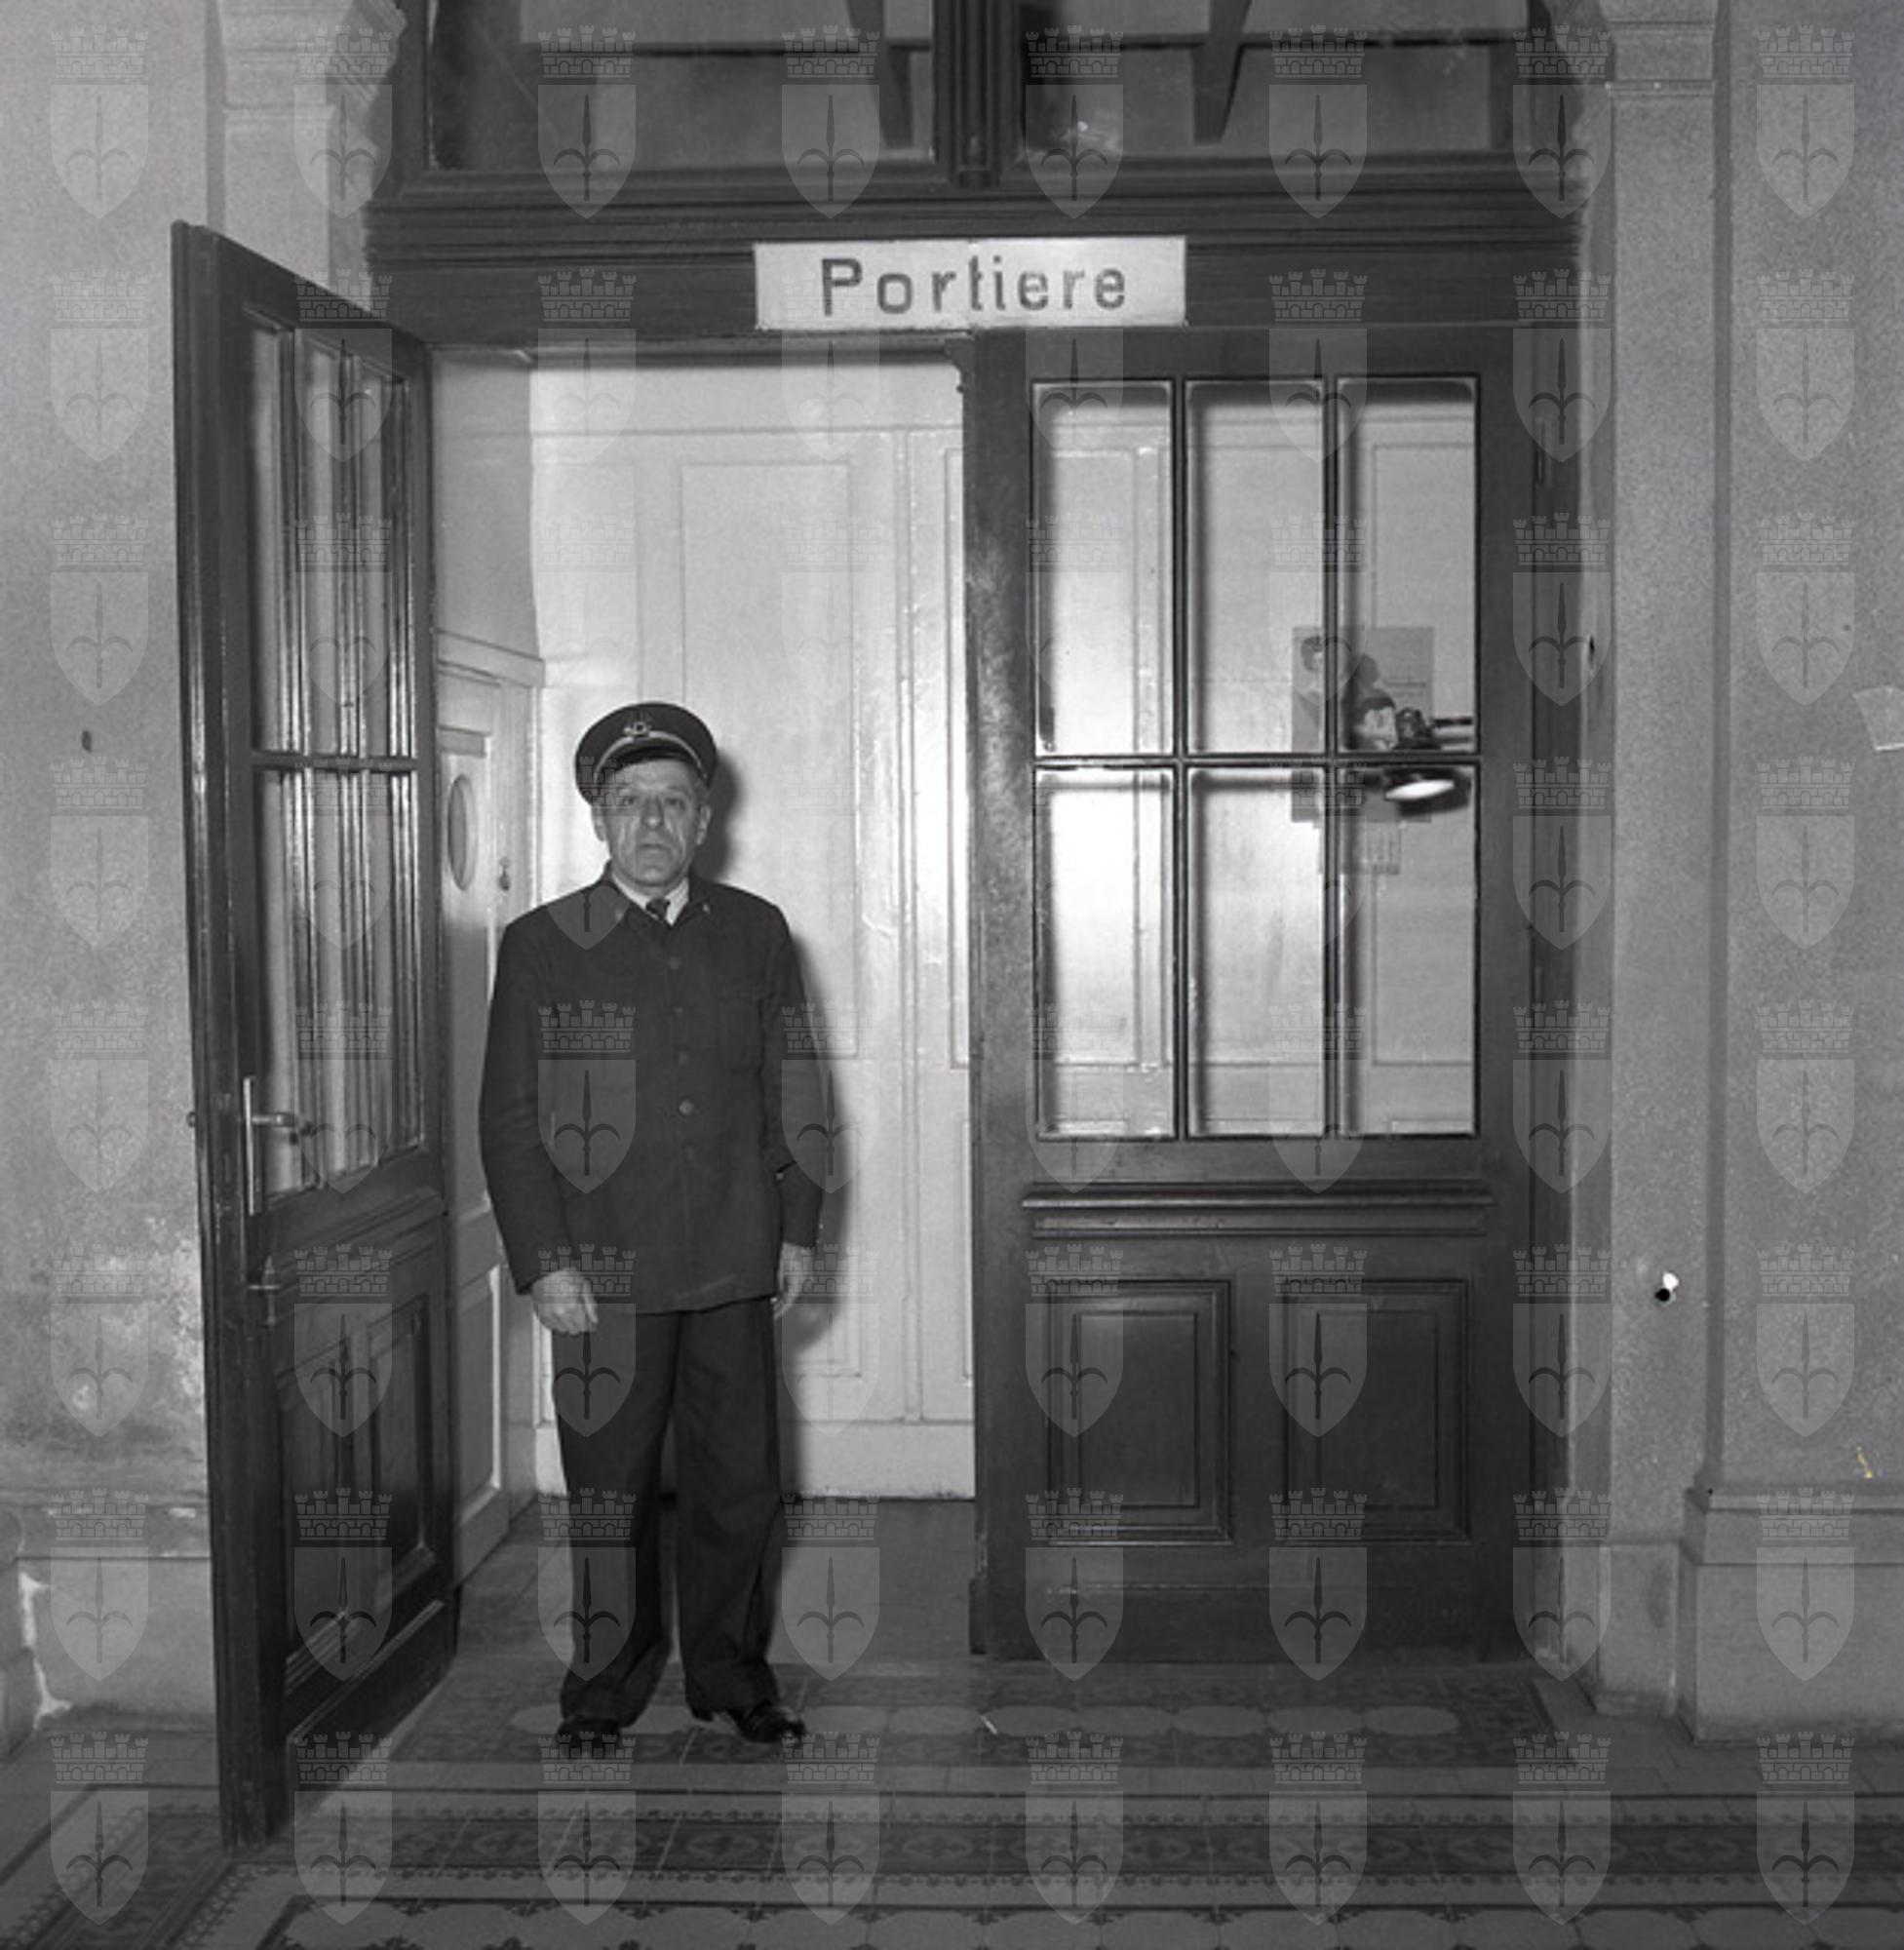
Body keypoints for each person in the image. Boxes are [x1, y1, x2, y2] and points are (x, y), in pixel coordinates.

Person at [479, 701, 823, 1745]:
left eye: (673, 802)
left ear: (705, 819)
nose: (652, 821)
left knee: (738, 1489)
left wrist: (797, 1226)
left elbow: (795, 1090)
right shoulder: (542, 944)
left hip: (732, 1256)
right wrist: (544, 1263)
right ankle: (603, 1689)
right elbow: (508, 1119)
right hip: (601, 1273)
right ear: (599, 820)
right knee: (608, 1494)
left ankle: (733, 1675)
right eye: (629, 802)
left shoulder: (756, 932)